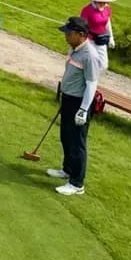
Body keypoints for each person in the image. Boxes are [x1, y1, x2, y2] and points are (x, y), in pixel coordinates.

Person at [49, 16, 106, 196]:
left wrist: (83, 110)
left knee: (77, 143)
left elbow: (91, 84)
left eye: (69, 33)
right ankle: (67, 169)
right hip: (68, 98)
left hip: (79, 103)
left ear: (81, 35)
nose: (66, 36)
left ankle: (76, 183)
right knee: (65, 136)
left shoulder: (90, 55)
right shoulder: (74, 48)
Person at [80, 0, 115, 68]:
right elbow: (81, 26)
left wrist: (111, 37)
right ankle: (89, 80)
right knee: (89, 64)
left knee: (103, 65)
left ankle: (91, 78)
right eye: (100, 1)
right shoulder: (87, 10)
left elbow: (107, 22)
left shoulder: (107, 9)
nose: (103, 3)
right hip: (89, 41)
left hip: (101, 40)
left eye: (105, 1)